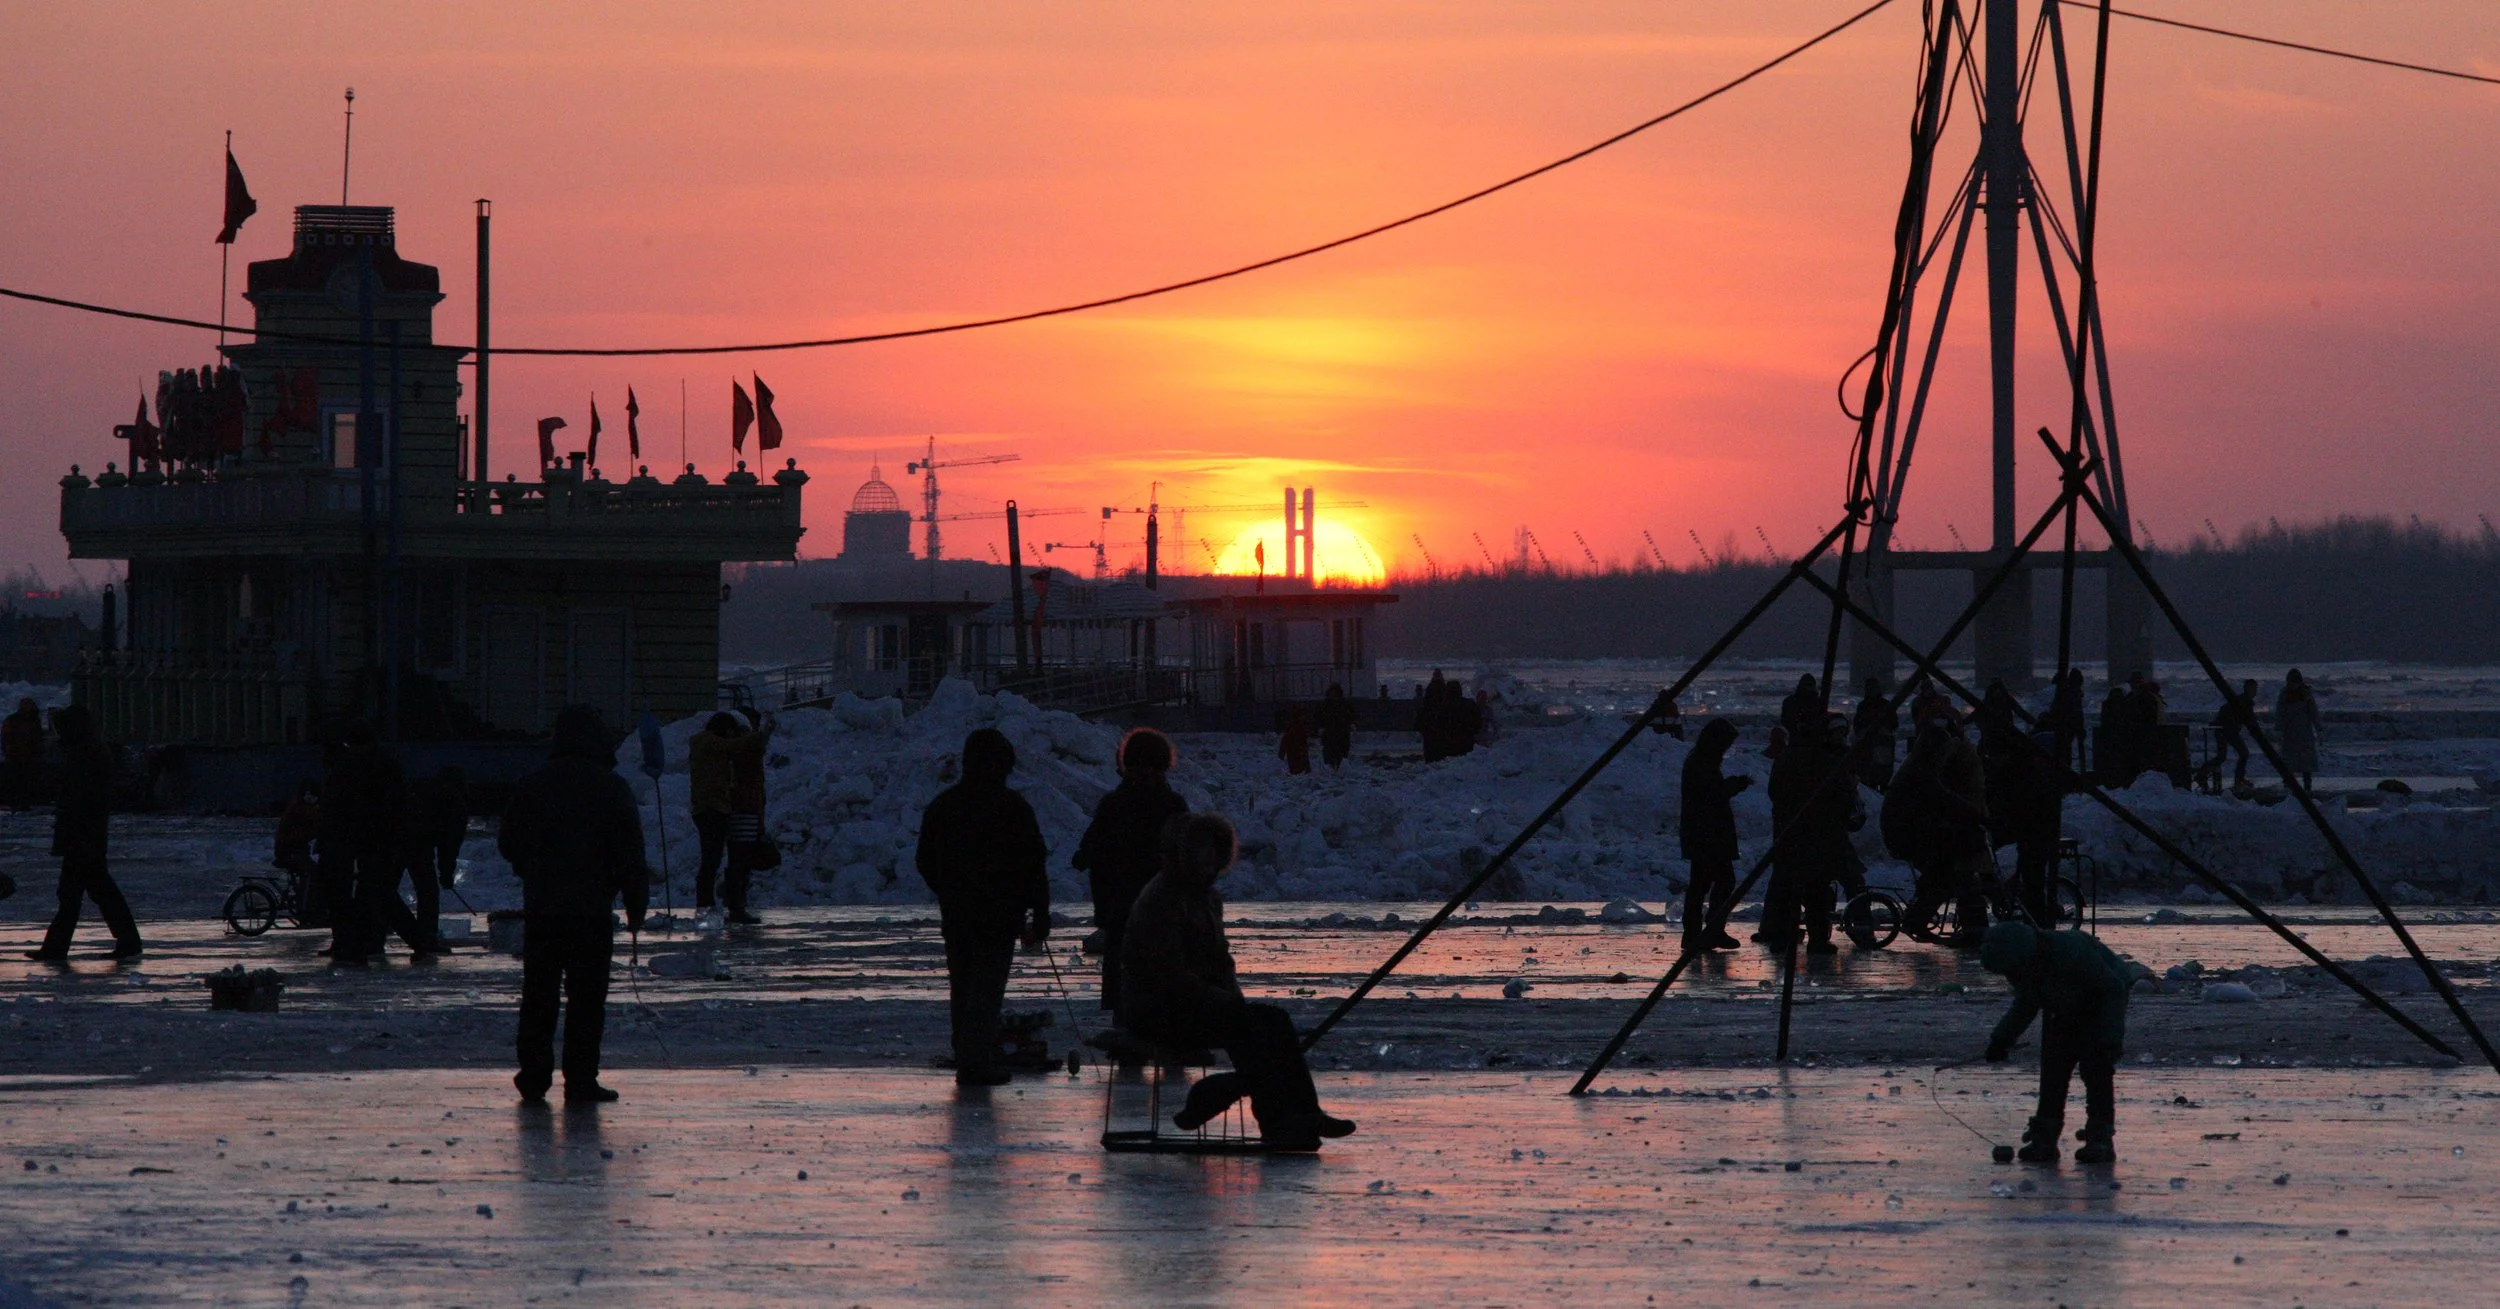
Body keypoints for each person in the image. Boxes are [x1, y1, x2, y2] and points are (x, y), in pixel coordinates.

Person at [1123, 813, 1355, 1151]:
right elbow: (1167, 974)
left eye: (1214, 856)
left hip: (1200, 1005)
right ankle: (1276, 1118)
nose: (1209, 865)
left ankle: (1300, 1113)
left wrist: (1231, 1000)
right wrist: (1223, 1003)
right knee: (1255, 1027)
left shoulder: (1206, 898)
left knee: (1273, 1021)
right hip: (1158, 1008)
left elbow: (1220, 964)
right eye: (1201, 856)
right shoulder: (1161, 900)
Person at [499, 705, 649, 1105]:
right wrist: (636, 905)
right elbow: (631, 854)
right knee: (586, 1000)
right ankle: (580, 1079)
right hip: (590, 914)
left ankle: (533, 1076)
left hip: (544, 912)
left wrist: (532, 869)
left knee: (538, 995)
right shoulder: (611, 787)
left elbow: (507, 841)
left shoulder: (533, 784)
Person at [916, 728, 1051, 1086]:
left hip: (959, 914)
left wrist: (947, 890)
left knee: (963, 986)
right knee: (986, 989)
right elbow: (1034, 863)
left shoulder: (944, 806)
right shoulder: (1013, 808)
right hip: (998, 915)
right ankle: (974, 1061)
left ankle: (968, 1052)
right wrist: (1039, 910)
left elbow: (925, 861)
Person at [1980, 919, 2131, 1165]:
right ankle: (2045, 1139)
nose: (2012, 977)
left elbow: (2112, 991)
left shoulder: (2073, 953)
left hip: (2099, 1006)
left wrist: (2110, 1040)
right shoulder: (2023, 965)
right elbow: (2026, 1003)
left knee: (2097, 1072)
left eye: (2012, 971)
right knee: (2053, 1070)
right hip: (2060, 1008)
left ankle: (2100, 1138)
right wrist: (2002, 1039)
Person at [1071, 728, 1187, 1029]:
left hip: (1147, 906)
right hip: (1132, 906)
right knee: (1137, 973)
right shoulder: (1124, 805)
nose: (1145, 772)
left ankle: (1154, 1032)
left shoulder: (1164, 805)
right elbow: (1094, 841)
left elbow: (1188, 848)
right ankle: (1140, 1034)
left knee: (1152, 972)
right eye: (1139, 765)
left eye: (1150, 765)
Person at [27, 705, 141, 961]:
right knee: (90, 891)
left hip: (82, 836)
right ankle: (125, 940)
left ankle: (57, 948)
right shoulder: (89, 751)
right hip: (86, 835)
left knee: (76, 894)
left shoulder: (85, 755)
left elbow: (77, 800)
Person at [1763, 713, 1852, 955]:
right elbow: (1844, 795)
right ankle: (1817, 939)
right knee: (1817, 891)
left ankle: (1783, 937)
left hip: (1789, 834)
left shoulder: (1785, 759)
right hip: (1818, 836)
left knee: (1788, 888)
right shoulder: (1826, 761)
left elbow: (1775, 792)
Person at [321, 721, 405, 965]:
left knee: (355, 894)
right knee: (371, 893)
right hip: (372, 839)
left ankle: (354, 942)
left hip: (355, 839)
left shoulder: (346, 768)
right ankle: (365, 941)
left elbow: (335, 806)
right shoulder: (384, 765)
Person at [688, 707, 773, 923]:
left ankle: (718, 905)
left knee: (721, 858)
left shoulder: (714, 749)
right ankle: (717, 907)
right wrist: (762, 734)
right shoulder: (717, 745)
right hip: (723, 808)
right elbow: (743, 749)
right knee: (727, 859)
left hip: (722, 808)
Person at [1677, 718, 1750, 954]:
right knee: (1718, 882)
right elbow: (1711, 796)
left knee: (1703, 884)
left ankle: (1699, 933)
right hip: (1707, 835)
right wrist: (1733, 786)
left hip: (1705, 834)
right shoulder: (1701, 764)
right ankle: (1709, 931)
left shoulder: (1701, 761)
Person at [396, 765, 469, 956]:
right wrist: (446, 873)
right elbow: (450, 844)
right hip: (418, 844)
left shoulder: (420, 788)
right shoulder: (455, 802)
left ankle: (373, 937)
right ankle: (426, 937)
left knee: (386, 892)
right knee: (427, 891)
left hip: (394, 839)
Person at [274, 783, 323, 925]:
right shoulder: (300, 809)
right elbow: (312, 822)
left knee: (309, 874)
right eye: (309, 795)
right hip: (289, 852)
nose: (311, 798)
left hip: (292, 850)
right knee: (313, 874)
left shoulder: (300, 807)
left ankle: (306, 907)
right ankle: (306, 910)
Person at [2203, 680, 2257, 793]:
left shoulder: (2245, 702)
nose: (2254, 692)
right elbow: (2247, 719)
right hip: (2224, 730)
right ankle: (2238, 779)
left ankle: (2238, 779)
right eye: (2252, 689)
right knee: (2239, 754)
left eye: (2255, 689)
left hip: (2227, 730)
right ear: (2246, 689)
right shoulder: (2243, 702)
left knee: (2235, 755)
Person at [1849, 676, 1898, 792]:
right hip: (1868, 746)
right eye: (1870, 689)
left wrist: (1884, 729)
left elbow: (1894, 724)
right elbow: (1857, 725)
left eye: (1874, 688)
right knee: (1868, 774)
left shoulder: (1884, 705)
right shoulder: (1863, 706)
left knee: (1883, 773)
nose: (1872, 691)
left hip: (1882, 744)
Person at [2275, 669, 2321, 791]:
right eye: (2290, 682)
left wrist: (2319, 728)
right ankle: (2287, 788)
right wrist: (2278, 729)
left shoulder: (2306, 695)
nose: (2292, 684)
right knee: (2288, 764)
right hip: (2289, 734)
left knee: (2306, 765)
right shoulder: (2284, 695)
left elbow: (2313, 713)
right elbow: (2279, 713)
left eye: (2294, 682)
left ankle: (2307, 788)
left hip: (2305, 733)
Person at [1, 697, 43, 810]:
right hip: (19, 757)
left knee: (21, 783)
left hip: (23, 757)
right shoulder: (31, 721)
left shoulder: (29, 721)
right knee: (20, 783)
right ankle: (20, 804)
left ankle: (20, 804)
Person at [1316, 683, 1358, 771]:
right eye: (1332, 693)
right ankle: (1331, 770)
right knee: (1329, 754)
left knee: (1341, 754)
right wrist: (1321, 727)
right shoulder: (1325, 705)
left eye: (1335, 693)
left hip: (1341, 733)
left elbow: (1351, 715)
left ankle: (1339, 770)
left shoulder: (1344, 704)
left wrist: (1352, 724)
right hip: (1329, 734)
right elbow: (1319, 717)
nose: (1334, 696)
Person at [1778, 673, 1823, 740]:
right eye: (1806, 685)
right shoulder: (1790, 701)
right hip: (1795, 736)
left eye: (1810, 685)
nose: (1808, 688)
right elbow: (1785, 721)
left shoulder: (1818, 702)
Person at [1277, 707, 1313, 776]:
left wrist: (1281, 753)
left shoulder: (1296, 727)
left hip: (1297, 752)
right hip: (1296, 751)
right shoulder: (1296, 728)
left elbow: (1285, 741)